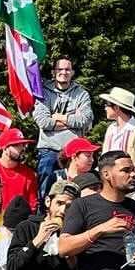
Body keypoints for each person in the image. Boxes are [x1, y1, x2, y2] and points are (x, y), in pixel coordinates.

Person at [33, 58, 94, 204]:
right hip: (49, 148)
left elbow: (85, 120)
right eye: (60, 69)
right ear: (54, 72)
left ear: (72, 72)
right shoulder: (43, 93)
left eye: (67, 69)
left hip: (73, 152)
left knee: (76, 186)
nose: (63, 72)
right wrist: (72, 120)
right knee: (45, 184)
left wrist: (58, 117)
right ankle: (43, 212)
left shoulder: (81, 94)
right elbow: (43, 121)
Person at [100, 88, 135, 202]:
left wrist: (119, 178)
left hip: (131, 193)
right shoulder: (111, 129)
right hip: (109, 190)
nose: (105, 107)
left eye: (107, 104)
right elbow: (104, 159)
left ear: (117, 108)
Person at [0, 127, 39, 213]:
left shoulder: (28, 173)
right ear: (5, 148)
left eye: (22, 145)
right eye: (16, 145)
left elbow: (32, 205)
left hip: (19, 223)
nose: (21, 149)